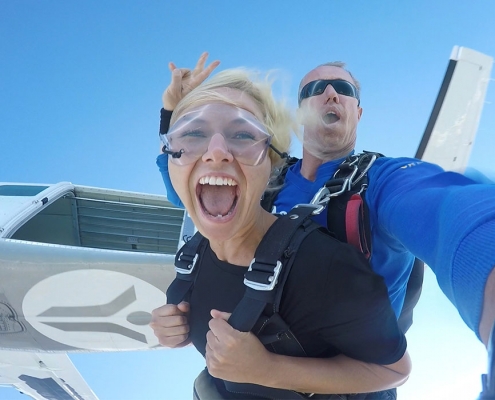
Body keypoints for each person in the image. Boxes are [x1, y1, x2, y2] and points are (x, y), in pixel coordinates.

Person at [156, 54, 495, 347]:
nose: (331, 93)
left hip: (352, 376)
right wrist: (175, 114)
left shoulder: (383, 181)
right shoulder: (261, 178)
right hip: (251, 362)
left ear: (357, 113)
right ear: (299, 113)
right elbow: (184, 190)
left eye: (343, 89)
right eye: (314, 90)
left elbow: (453, 212)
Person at [150, 68, 411, 399]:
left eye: (242, 135)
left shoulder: (375, 193)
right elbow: (181, 178)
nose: (215, 153)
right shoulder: (197, 252)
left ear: (269, 159)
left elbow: (394, 370)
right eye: (193, 135)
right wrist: (180, 326)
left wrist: (266, 369)